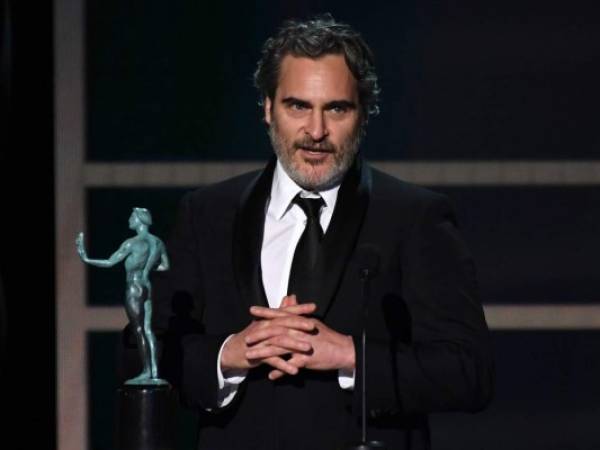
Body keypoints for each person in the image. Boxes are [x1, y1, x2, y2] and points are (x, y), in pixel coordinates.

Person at [151, 14, 493, 450]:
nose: (316, 132)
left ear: (364, 114)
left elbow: (470, 372)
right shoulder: (206, 213)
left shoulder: (415, 216)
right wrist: (231, 354)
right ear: (268, 108)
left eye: (336, 108)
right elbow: (143, 352)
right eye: (298, 106)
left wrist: (349, 356)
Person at [78, 207, 170, 384]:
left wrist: (86, 259)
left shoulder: (132, 243)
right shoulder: (157, 242)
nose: (129, 220)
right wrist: (148, 268)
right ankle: (154, 372)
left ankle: (146, 371)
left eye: (132, 217)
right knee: (148, 329)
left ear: (139, 220)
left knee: (139, 330)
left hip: (134, 286)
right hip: (147, 286)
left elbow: (110, 262)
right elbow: (165, 266)